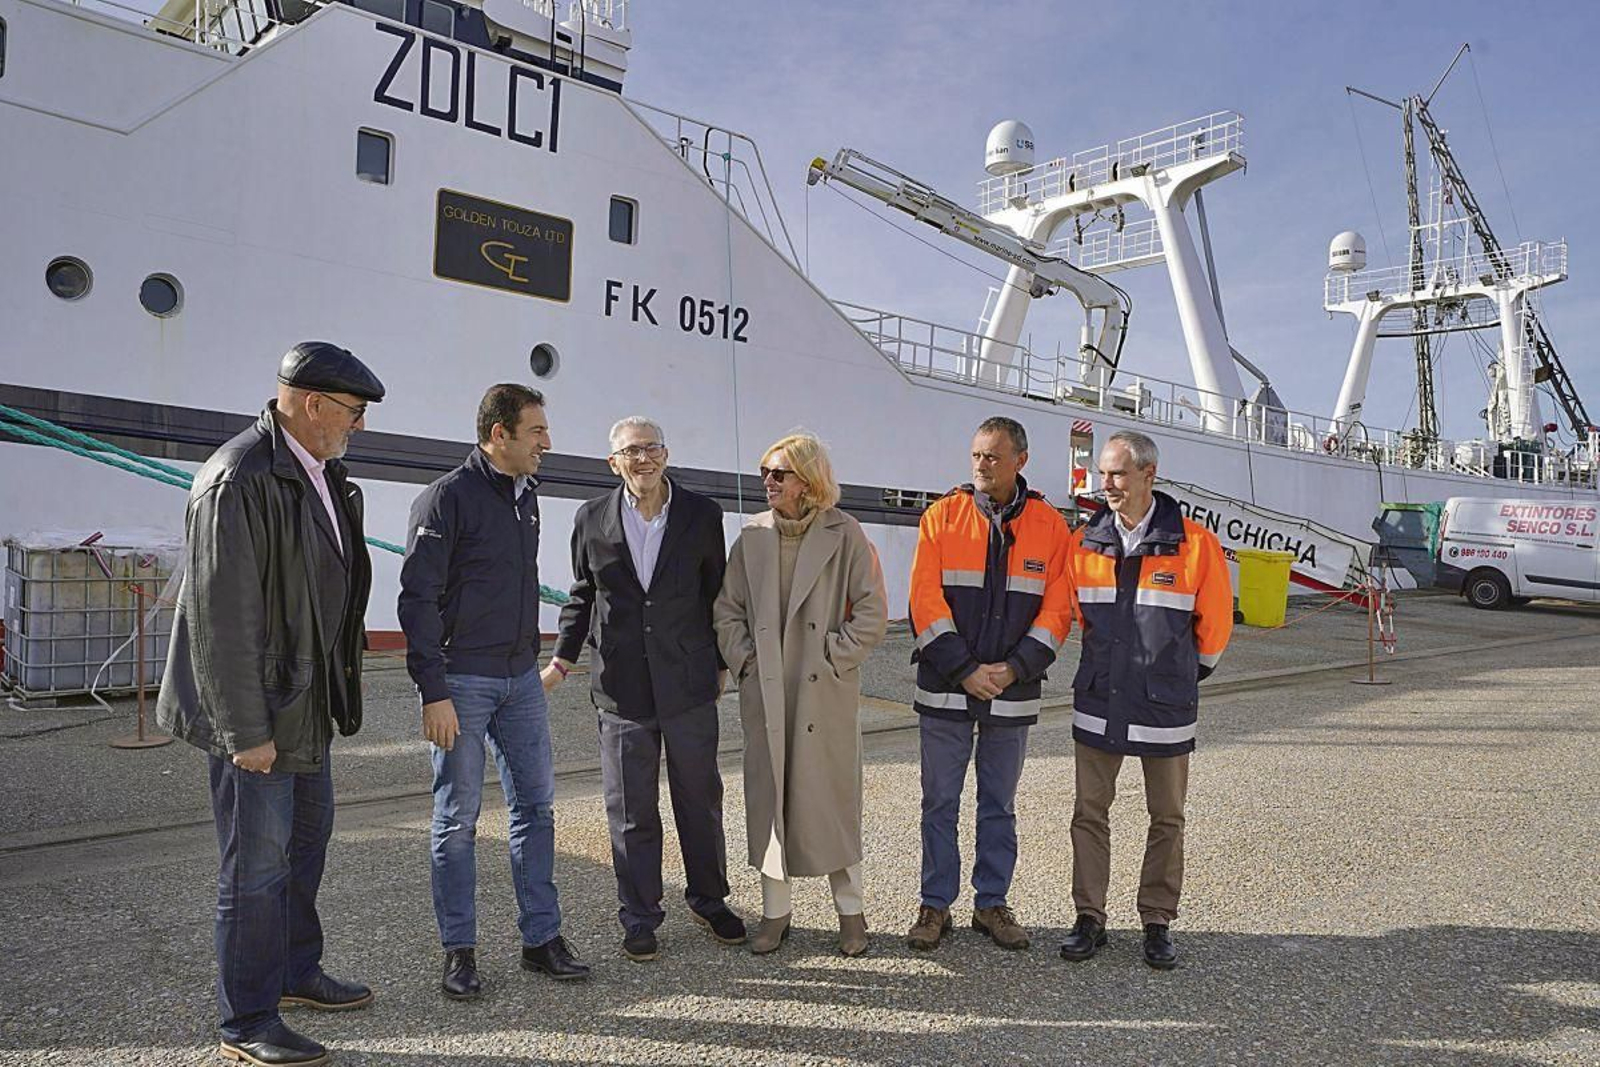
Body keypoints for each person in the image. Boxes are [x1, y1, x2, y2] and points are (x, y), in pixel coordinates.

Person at [156, 341, 385, 1067]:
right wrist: (243, 732)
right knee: (254, 869)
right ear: (313, 404)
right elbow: (220, 619)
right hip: (258, 716)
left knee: (305, 846)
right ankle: (247, 1019)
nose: (359, 425)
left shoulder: (321, 472)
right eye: (353, 411)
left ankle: (294, 970)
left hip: (305, 704)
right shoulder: (238, 478)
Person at [397, 383, 590, 1002]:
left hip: (519, 679)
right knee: (457, 820)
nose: (547, 442)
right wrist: (433, 690)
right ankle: (459, 951)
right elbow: (417, 600)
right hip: (462, 682)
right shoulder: (445, 500)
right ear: (498, 434)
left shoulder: (526, 497)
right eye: (536, 431)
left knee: (536, 809)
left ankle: (541, 939)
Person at [544, 416, 745, 962]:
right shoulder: (591, 518)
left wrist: (720, 663)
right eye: (632, 451)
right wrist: (561, 660)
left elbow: (715, 594)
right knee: (631, 810)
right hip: (622, 687)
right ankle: (639, 915)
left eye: (652, 448)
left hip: (688, 684)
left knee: (699, 800)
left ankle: (709, 900)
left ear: (666, 454)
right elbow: (583, 595)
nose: (644, 458)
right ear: (614, 463)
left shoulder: (702, 515)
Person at [1058, 430, 1232, 970]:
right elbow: (1073, 614)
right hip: (1099, 697)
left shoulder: (1196, 545)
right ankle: (1090, 917)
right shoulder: (1084, 543)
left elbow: (1215, 627)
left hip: (1165, 704)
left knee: (1167, 816)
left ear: (1148, 475)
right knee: (1089, 812)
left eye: (1117, 473)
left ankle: (1157, 920)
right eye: (1102, 473)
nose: (1105, 483)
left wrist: (1178, 675)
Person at [713, 432, 887, 957]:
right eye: (765, 471)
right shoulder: (752, 537)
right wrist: (746, 662)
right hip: (767, 689)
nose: (768, 481)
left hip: (822, 693)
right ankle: (775, 914)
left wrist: (834, 657)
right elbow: (727, 610)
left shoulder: (845, 532)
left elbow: (872, 610)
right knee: (770, 801)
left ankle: (851, 913)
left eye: (779, 473)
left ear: (807, 480)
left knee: (831, 802)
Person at [905, 416, 1074, 953]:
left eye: (993, 457)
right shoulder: (942, 517)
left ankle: (991, 904)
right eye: (977, 455)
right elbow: (923, 600)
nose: (981, 465)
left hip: (1011, 689)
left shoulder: (1051, 526)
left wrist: (1015, 667)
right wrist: (966, 670)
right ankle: (935, 904)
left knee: (998, 803)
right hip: (946, 685)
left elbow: (1058, 610)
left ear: (1021, 461)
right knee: (939, 801)